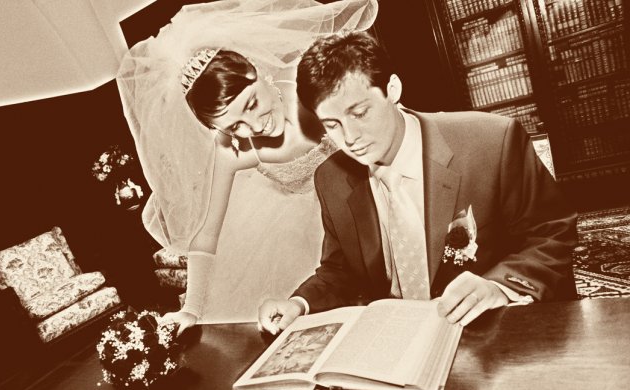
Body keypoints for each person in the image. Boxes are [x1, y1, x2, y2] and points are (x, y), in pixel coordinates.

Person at [258, 30, 578, 334]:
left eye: (360, 112)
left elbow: (552, 234)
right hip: (395, 336)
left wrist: (498, 286)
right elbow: (339, 270)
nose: (350, 138)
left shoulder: (492, 141)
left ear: (392, 89)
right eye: (332, 124)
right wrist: (299, 304)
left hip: (491, 329)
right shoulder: (332, 178)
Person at [116, 0, 378, 333]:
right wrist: (191, 310)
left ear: (257, 70)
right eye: (234, 126)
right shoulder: (232, 149)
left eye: (251, 104)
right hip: (300, 236)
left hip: (361, 201)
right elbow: (207, 235)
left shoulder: (312, 93)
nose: (255, 127)